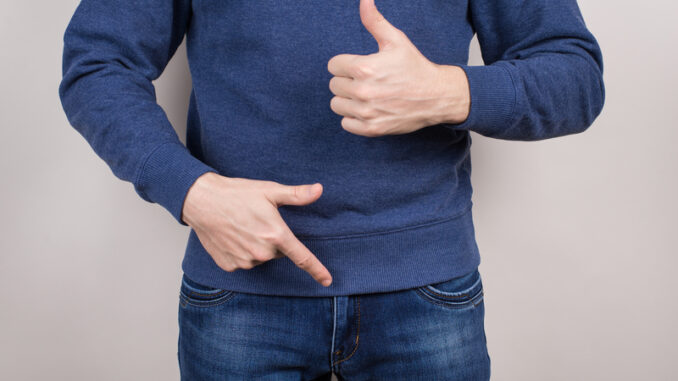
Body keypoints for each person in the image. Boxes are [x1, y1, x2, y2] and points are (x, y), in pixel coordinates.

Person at [58, 0, 605, 379]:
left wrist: (449, 91)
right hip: (240, 291)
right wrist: (191, 191)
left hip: (428, 293)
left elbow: (575, 77)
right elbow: (98, 64)